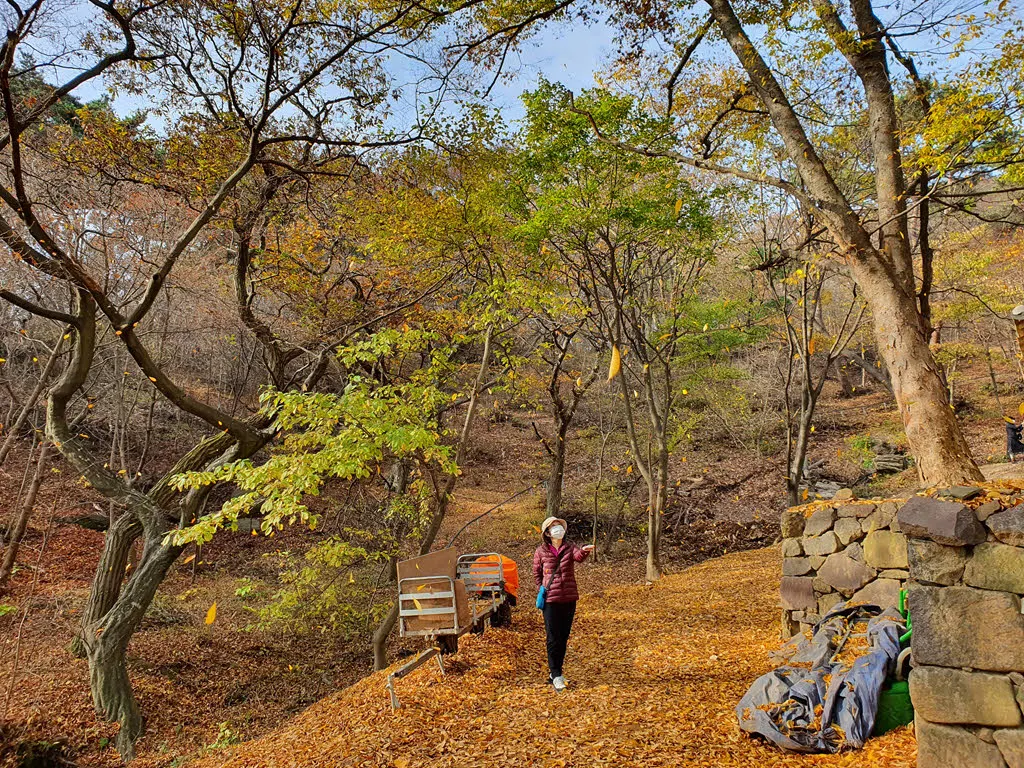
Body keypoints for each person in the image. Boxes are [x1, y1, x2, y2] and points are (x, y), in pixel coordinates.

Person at [533, 516, 594, 692]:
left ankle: (556, 673)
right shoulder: (541, 551)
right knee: (553, 638)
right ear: (547, 532)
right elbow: (536, 573)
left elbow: (578, 556)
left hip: (569, 598)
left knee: (563, 637)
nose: (557, 528)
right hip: (551, 600)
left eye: (559, 525)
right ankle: (556, 673)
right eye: (553, 526)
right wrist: (542, 588)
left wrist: (584, 551)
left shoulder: (569, 548)